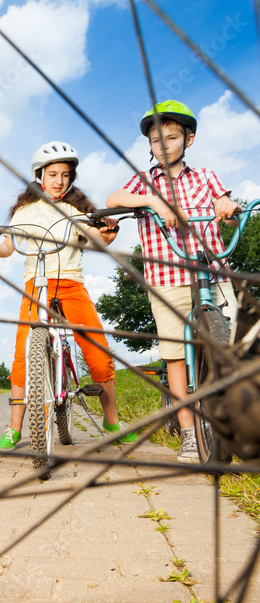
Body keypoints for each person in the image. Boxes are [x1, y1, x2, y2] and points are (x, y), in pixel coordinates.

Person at [106, 101, 239, 461]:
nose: (163, 145)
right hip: (167, 276)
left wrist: (227, 210)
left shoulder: (206, 176)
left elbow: (225, 209)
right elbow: (114, 199)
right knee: (176, 357)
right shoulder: (145, 180)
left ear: (188, 140)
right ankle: (190, 434)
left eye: (171, 137)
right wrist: (150, 200)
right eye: (155, 140)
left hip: (211, 270)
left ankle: (237, 419)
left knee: (236, 344)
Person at [0, 142, 120, 449]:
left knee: (97, 349)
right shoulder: (23, 212)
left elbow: (97, 239)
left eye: (65, 175)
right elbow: (8, 248)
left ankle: (112, 420)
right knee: (22, 355)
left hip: (71, 284)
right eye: (53, 174)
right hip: (35, 286)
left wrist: (108, 231)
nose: (59, 181)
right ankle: (14, 429)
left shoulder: (77, 210)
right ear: (39, 175)